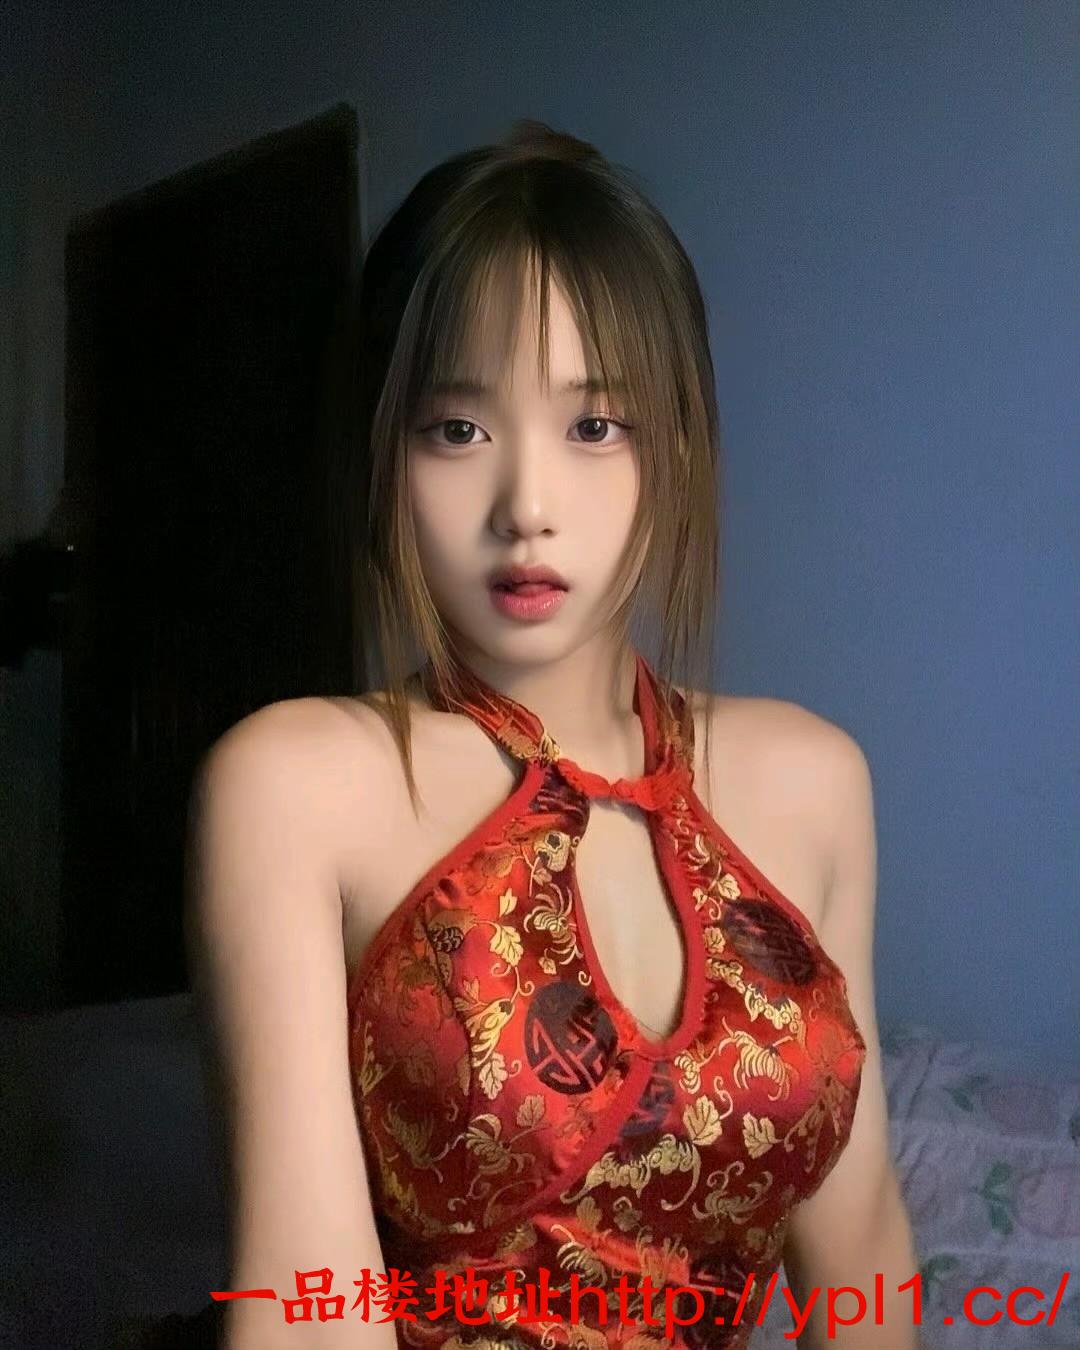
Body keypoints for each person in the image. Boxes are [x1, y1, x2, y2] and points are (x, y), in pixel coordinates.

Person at [187, 120, 920, 1350]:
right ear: (383, 455)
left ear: (674, 448)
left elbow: (864, 1256)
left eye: (595, 427)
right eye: (456, 429)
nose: (526, 507)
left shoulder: (812, 779)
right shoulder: (296, 785)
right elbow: (306, 1313)